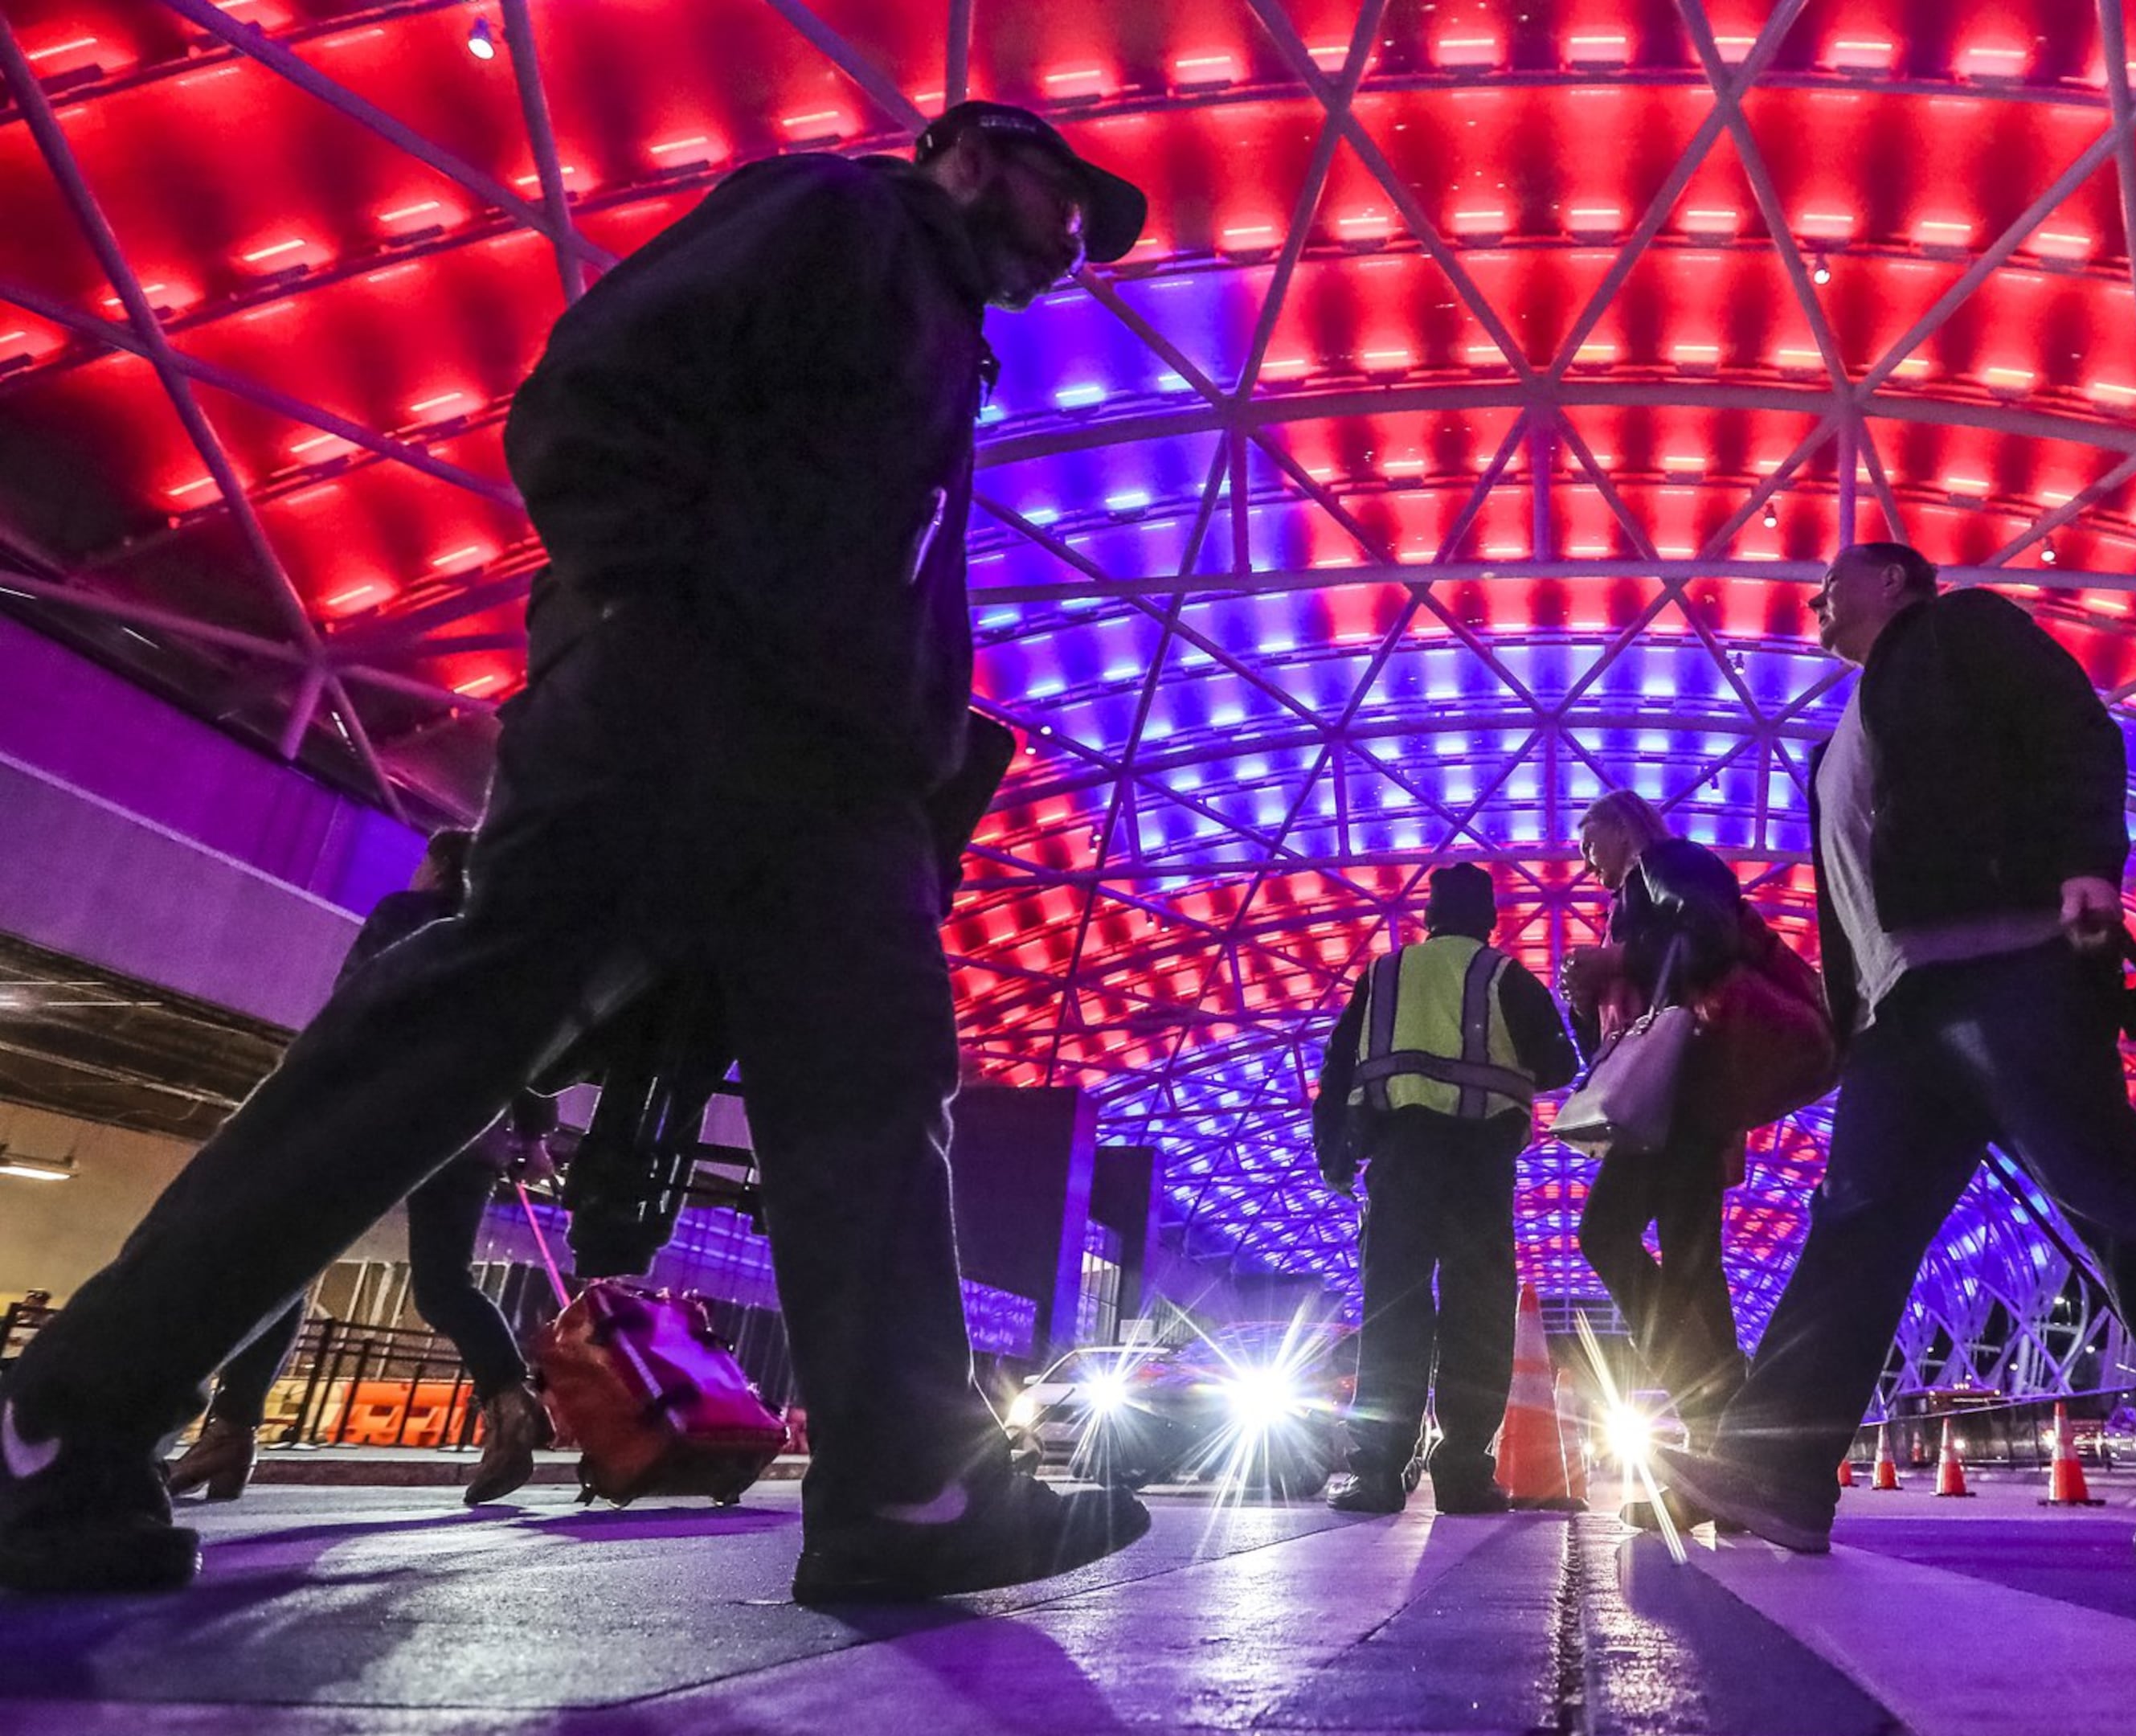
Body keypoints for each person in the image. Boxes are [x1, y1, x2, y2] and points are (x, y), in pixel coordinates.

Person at [0, 100, 1157, 1601]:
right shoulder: (835, 217)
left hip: (828, 768)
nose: (1077, 248)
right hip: (689, 717)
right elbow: (591, 394)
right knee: (444, 1045)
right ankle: (67, 1416)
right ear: (979, 152)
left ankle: (909, 1487)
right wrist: (652, 619)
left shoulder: (935, 327)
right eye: (1073, 205)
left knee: (872, 1086)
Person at [1652, 542, 2136, 1563]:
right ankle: (1772, 1474)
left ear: (1895, 580)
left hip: (2005, 961)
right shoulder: (1841, 727)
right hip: (1902, 1013)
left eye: (1834, 582)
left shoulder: (1963, 631)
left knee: (2121, 1211)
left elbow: (2072, 733)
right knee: (1853, 1233)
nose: (1814, 600)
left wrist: (2087, 868)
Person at [161, 829, 559, 1508]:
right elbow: (527, 1046)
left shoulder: (406, 916)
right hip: (471, 1128)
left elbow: (361, 1002)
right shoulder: (502, 938)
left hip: (388, 1112)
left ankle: (230, 1428)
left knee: (285, 1262)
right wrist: (532, 1133)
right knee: (442, 1285)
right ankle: (510, 1403)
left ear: (437, 866)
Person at [1311, 865, 1579, 1516]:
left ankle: (1376, 1474)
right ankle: (1464, 1474)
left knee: (1393, 1311)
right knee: (1477, 1314)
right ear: (1489, 919)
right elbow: (1561, 1064)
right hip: (1480, 1164)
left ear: (1427, 917)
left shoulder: (1384, 974)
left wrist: (1334, 1155)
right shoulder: (1504, 975)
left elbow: (1337, 1063)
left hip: (1399, 1159)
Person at [1561, 791, 1751, 1478]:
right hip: (1679, 1094)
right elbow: (1624, 1030)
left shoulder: (1669, 864)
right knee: (1693, 1263)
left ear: (1620, 826)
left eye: (1590, 848)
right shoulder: (1632, 899)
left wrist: (1617, 962)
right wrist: (1587, 1002)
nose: (1589, 868)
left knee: (1609, 1234)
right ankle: (1725, 1440)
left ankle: (1716, 1396)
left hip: (1686, 1090)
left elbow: (1707, 936)